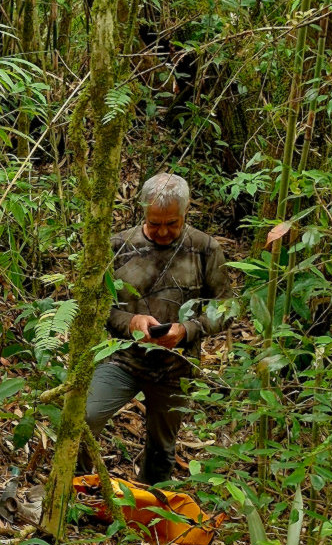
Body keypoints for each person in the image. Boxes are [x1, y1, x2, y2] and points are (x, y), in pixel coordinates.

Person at [83, 173, 231, 485]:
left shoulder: (205, 250)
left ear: (186, 211)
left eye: (172, 224)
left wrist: (188, 329)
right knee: (86, 416)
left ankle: (148, 514)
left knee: (162, 449)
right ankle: (76, 489)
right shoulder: (118, 247)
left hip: (175, 366)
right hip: (123, 359)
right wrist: (130, 323)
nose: (163, 231)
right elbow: (97, 307)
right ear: (143, 213)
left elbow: (226, 306)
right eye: (154, 223)